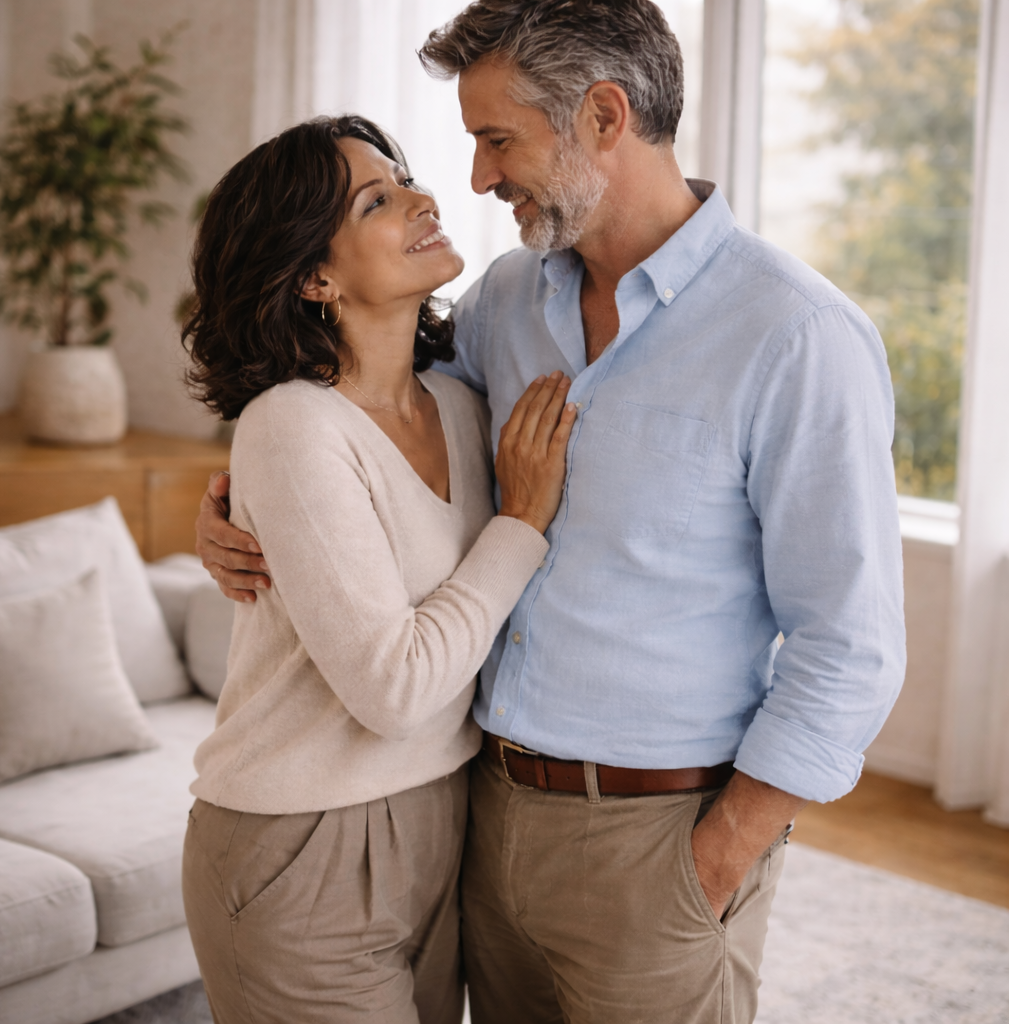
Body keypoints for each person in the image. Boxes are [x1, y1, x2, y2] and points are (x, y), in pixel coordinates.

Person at [195, 2, 907, 1022]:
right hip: (481, 814)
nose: (477, 178)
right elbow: (351, 429)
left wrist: (722, 853)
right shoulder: (502, 304)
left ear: (604, 116)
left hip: (661, 837)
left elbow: (851, 644)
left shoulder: (795, 336)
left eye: (496, 139)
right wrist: (226, 513)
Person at [179, 114, 577, 1024]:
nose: (423, 199)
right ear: (316, 276)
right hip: (297, 847)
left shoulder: (463, 401)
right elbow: (395, 691)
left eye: (404, 180)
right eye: (378, 199)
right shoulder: (290, 424)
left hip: (446, 824)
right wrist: (520, 523)